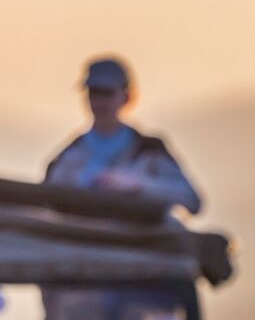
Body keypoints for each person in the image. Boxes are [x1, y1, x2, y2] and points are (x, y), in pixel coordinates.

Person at [44, 57, 202, 214]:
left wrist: (137, 186)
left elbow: (191, 200)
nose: (100, 102)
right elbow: (44, 198)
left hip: (138, 236)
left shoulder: (150, 151)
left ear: (126, 97)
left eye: (107, 93)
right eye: (94, 93)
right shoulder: (71, 154)